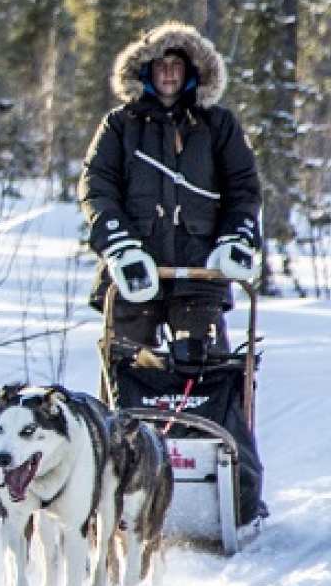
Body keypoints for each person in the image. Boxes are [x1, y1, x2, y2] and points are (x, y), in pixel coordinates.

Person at [79, 21, 263, 362]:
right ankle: (129, 416)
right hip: (134, 269)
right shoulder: (120, 124)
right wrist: (119, 246)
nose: (168, 73)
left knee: (207, 373)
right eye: (160, 65)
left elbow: (244, 189)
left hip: (200, 271)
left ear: (192, 71)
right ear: (146, 70)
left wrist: (235, 237)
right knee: (127, 370)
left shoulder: (217, 124)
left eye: (176, 65)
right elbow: (96, 187)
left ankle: (200, 416)